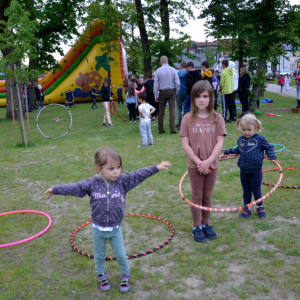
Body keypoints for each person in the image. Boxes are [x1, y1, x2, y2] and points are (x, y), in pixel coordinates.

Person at [44, 147, 171, 292]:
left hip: (115, 229)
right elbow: (74, 187)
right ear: (99, 169)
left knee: (121, 255)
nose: (116, 171)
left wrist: (156, 167)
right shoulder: (91, 184)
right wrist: (55, 190)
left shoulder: (123, 181)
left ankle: (125, 275)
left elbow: (139, 174)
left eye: (118, 167)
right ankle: (101, 275)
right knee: (99, 256)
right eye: (111, 168)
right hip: (98, 230)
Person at [180, 81, 227, 243]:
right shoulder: (187, 119)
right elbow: (185, 144)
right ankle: (196, 226)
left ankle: (206, 224)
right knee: (197, 196)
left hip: (211, 163)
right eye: (198, 96)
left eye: (205, 96)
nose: (201, 100)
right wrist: (199, 162)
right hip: (195, 165)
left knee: (207, 196)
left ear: (211, 98)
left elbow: (220, 142)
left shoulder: (217, 118)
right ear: (193, 99)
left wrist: (208, 161)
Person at [223, 114, 276, 219]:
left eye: (249, 130)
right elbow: (238, 150)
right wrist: (228, 152)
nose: (246, 132)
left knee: (256, 191)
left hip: (256, 171)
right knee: (246, 191)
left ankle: (260, 207)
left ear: (255, 128)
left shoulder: (260, 139)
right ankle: (247, 208)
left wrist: (271, 156)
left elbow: (269, 147)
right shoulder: (241, 140)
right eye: (244, 130)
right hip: (244, 171)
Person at [153, 55, 180, 134]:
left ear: (161, 62)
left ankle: (160, 129)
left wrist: (156, 95)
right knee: (172, 110)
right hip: (171, 91)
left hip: (162, 91)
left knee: (161, 111)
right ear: (167, 61)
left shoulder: (158, 71)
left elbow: (155, 85)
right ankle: (172, 129)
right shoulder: (173, 70)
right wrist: (176, 91)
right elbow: (178, 83)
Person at [176, 62, 188, 129]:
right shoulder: (187, 74)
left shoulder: (177, 74)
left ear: (181, 66)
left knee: (179, 107)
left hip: (180, 92)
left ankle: (180, 122)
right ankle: (185, 122)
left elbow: (176, 83)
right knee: (185, 107)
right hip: (186, 92)